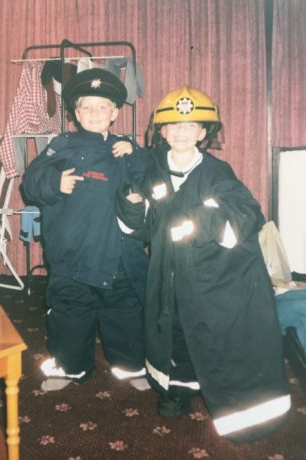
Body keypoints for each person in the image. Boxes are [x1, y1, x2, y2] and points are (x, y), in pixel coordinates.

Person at [116, 86, 291, 442]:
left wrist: (200, 222)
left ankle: (223, 396)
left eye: (191, 125)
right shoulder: (152, 172)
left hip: (213, 277)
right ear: (161, 132)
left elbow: (247, 214)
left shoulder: (217, 172)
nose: (181, 131)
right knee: (173, 332)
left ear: (203, 133)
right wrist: (132, 204)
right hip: (167, 273)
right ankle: (177, 390)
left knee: (211, 335)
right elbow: (139, 227)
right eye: (173, 125)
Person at [21, 68, 150, 392]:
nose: (94, 113)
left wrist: (134, 155)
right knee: (69, 314)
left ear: (115, 113)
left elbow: (148, 178)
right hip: (73, 254)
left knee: (124, 313)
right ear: (75, 114)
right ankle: (69, 368)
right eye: (86, 107)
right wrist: (55, 182)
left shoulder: (126, 148)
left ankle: (129, 366)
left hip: (118, 253)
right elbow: (31, 182)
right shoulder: (61, 145)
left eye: (102, 107)